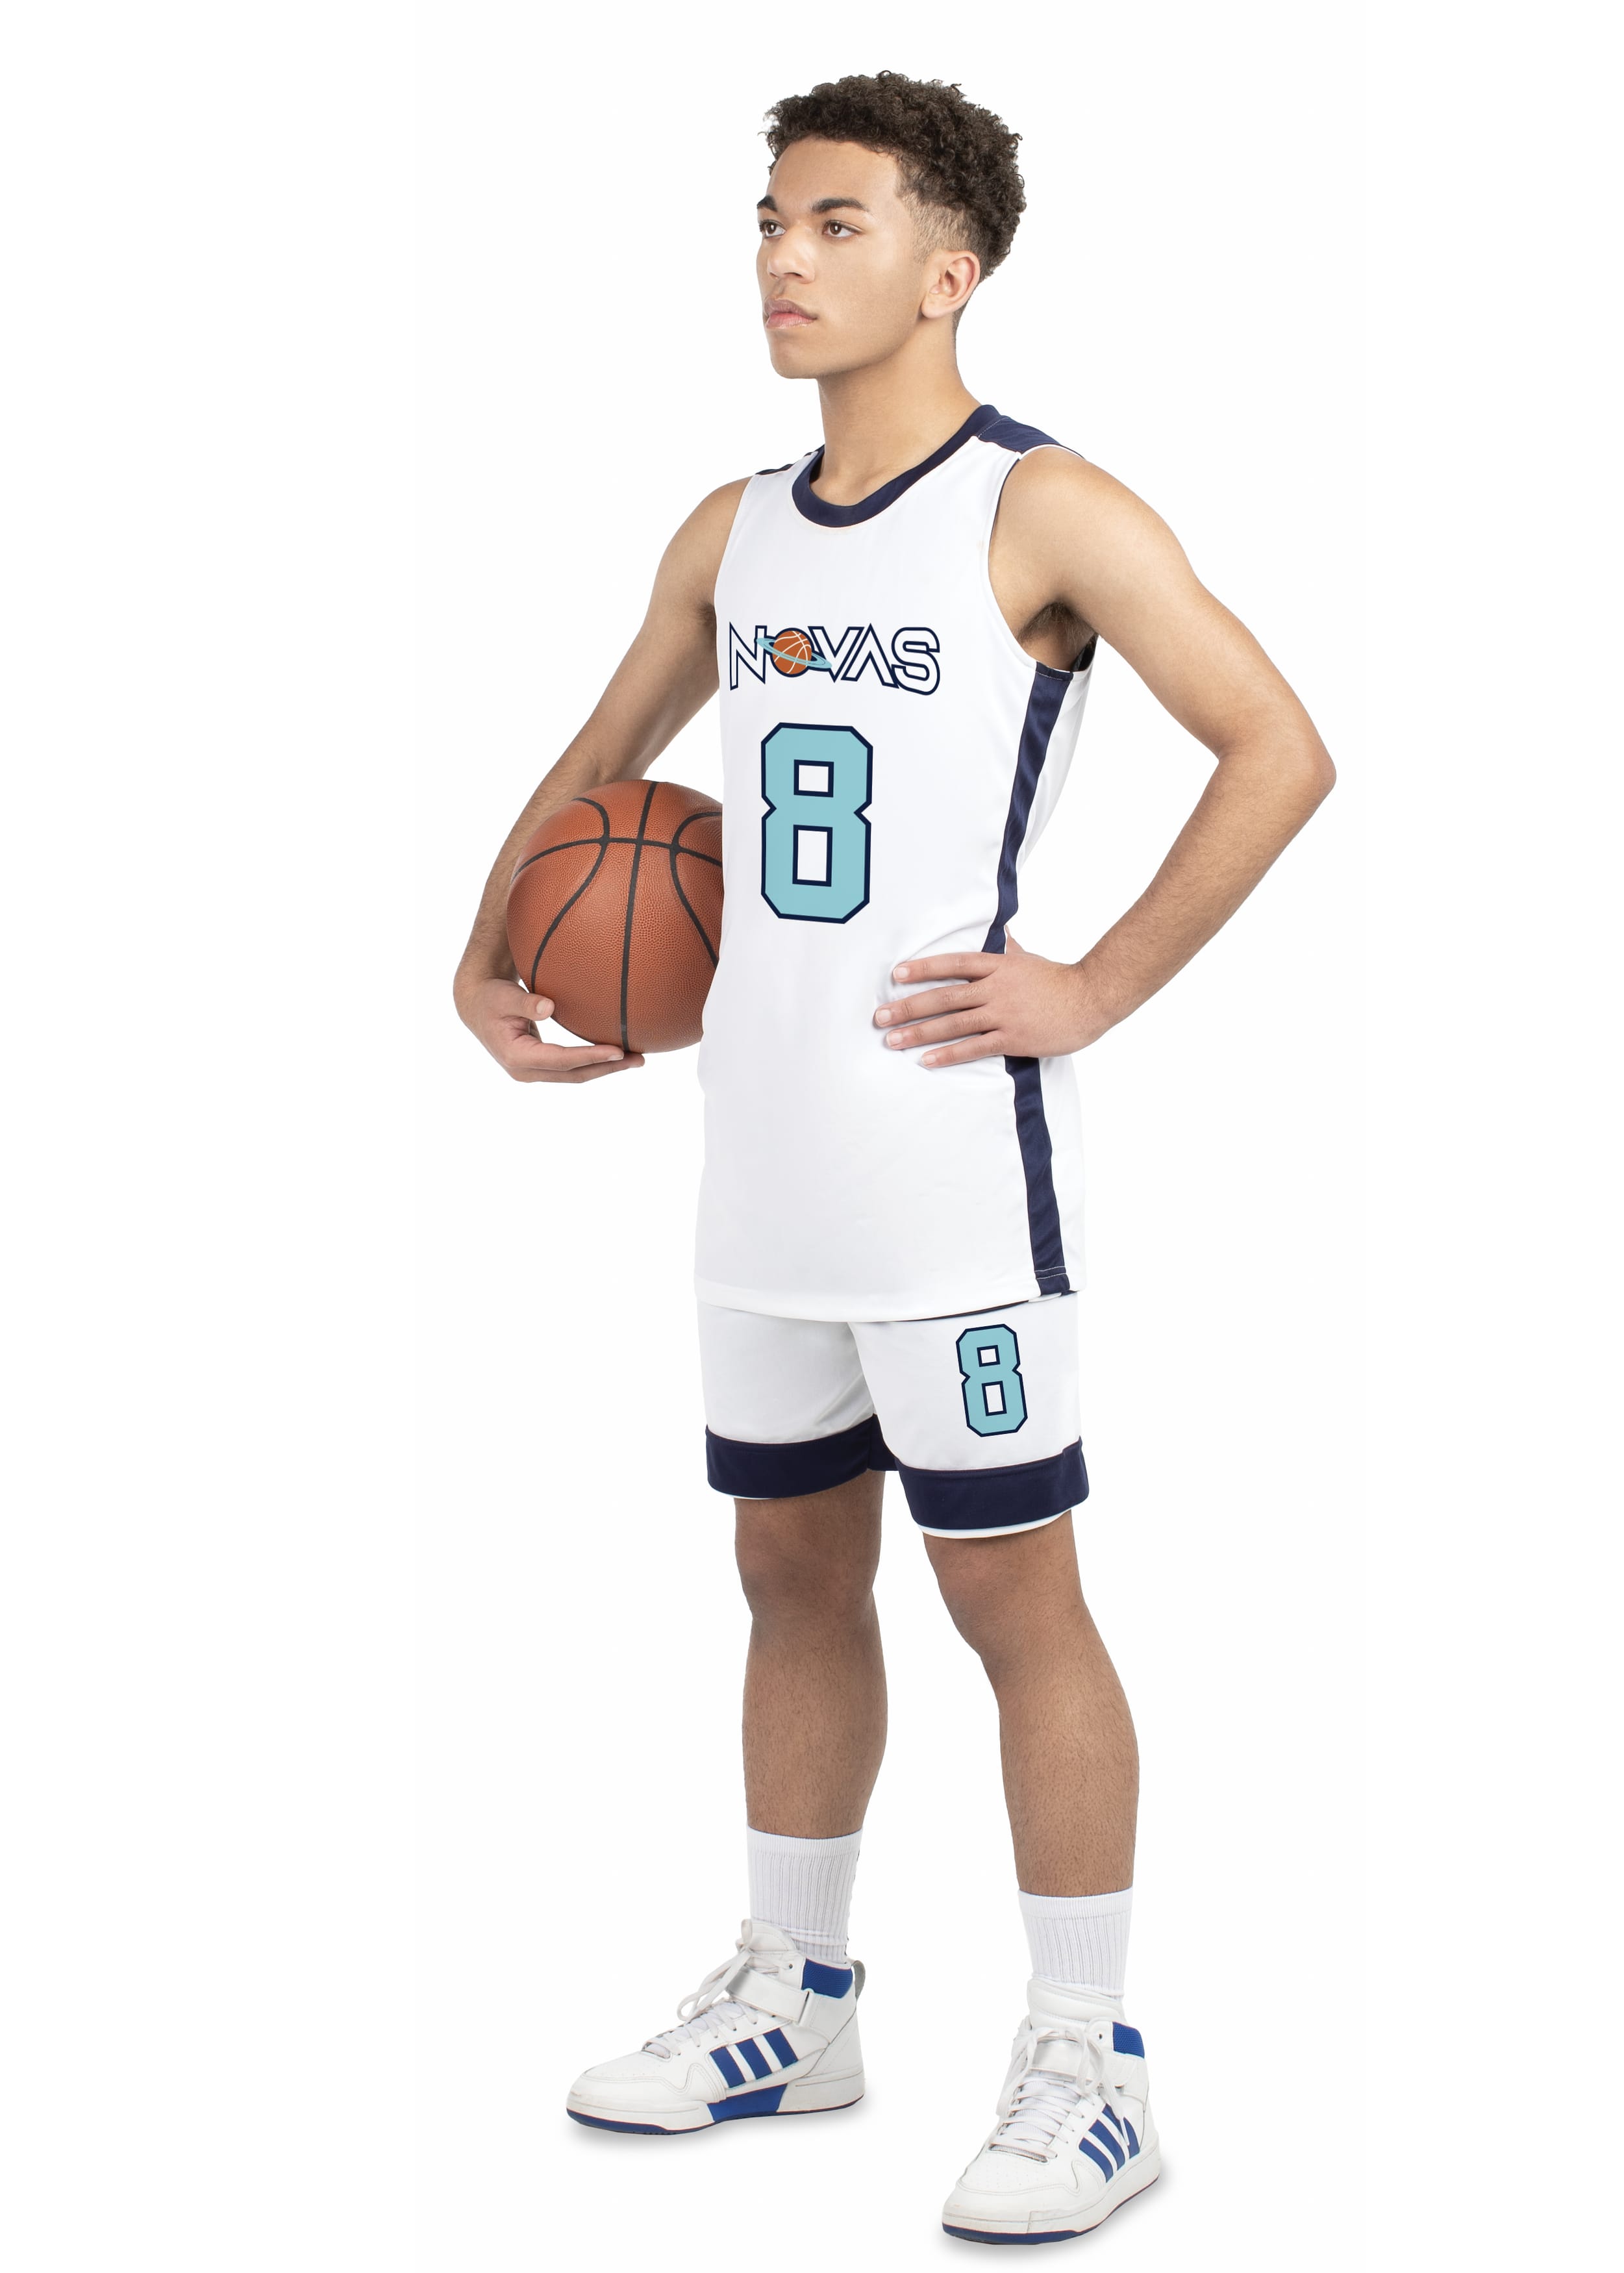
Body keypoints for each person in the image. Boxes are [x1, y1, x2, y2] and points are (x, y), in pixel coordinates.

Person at [453, 70, 1334, 2246]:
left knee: (1013, 1596)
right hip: (759, 1170)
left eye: (835, 223)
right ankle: (800, 1995)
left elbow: (1279, 745)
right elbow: (598, 763)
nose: (783, 256)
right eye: (770, 219)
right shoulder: (730, 529)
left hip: (952, 1176)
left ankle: (1092, 2061)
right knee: (785, 1575)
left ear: (954, 269)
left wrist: (1096, 983)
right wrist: (484, 946)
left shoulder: (1048, 508)